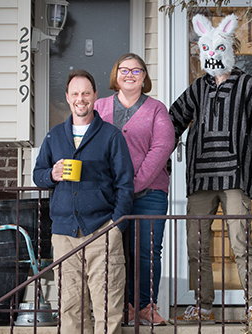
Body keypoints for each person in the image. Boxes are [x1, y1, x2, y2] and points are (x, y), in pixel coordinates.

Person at [169, 14, 252, 323]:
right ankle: (203, 306)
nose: (213, 54)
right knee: (196, 245)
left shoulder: (248, 85)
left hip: (235, 178)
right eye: (208, 49)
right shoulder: (198, 89)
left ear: (229, 49)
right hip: (201, 179)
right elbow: (170, 122)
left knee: (241, 243)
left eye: (219, 48)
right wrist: (157, 160)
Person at [33, 69, 134, 334]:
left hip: (102, 230)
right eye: (75, 93)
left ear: (95, 96)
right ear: (67, 97)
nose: (81, 99)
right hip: (64, 233)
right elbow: (38, 175)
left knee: (107, 305)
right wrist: (51, 175)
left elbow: (125, 184)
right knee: (69, 307)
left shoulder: (111, 136)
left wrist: (116, 227)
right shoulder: (54, 136)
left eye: (86, 93)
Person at [94, 53, 175, 326]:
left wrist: (134, 185)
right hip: (110, 195)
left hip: (149, 193)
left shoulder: (156, 109)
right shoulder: (100, 107)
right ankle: (124, 307)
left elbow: (161, 149)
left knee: (147, 251)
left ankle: (145, 307)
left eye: (136, 70)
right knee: (117, 251)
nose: (130, 75)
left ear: (144, 77)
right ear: (116, 75)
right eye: (124, 70)